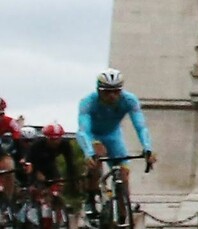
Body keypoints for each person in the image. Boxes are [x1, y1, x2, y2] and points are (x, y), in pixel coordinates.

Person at [76, 69, 157, 218]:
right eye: (107, 92)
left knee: (123, 175)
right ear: (99, 91)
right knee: (96, 158)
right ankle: (90, 198)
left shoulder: (129, 100)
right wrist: (89, 152)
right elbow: (83, 131)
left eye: (116, 91)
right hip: (93, 136)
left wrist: (148, 148)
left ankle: (123, 212)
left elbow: (141, 127)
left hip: (113, 136)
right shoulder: (88, 102)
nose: (112, 95)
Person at [23, 123, 78, 188]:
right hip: (37, 165)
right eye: (52, 139)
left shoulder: (65, 145)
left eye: (58, 139)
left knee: (56, 182)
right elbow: (29, 161)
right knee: (37, 185)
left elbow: (70, 162)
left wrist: (72, 179)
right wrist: (36, 173)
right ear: (47, 138)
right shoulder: (37, 145)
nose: (56, 142)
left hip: (50, 164)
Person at [0, 98, 22, 208]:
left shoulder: (9, 121)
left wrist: (20, 156)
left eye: (1, 115)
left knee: (9, 167)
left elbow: (17, 135)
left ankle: (7, 201)